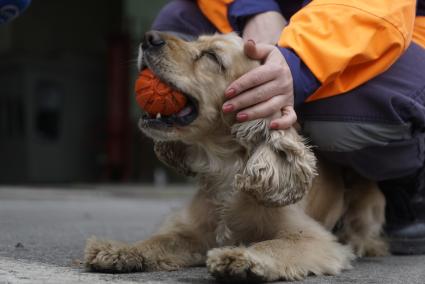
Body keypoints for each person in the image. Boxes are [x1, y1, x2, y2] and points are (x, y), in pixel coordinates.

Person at [150, 0, 425, 254]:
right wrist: (254, 7)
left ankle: (402, 185)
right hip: (265, 18)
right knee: (176, 25)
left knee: (340, 117)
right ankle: (229, 171)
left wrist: (299, 61)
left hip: (380, 24)